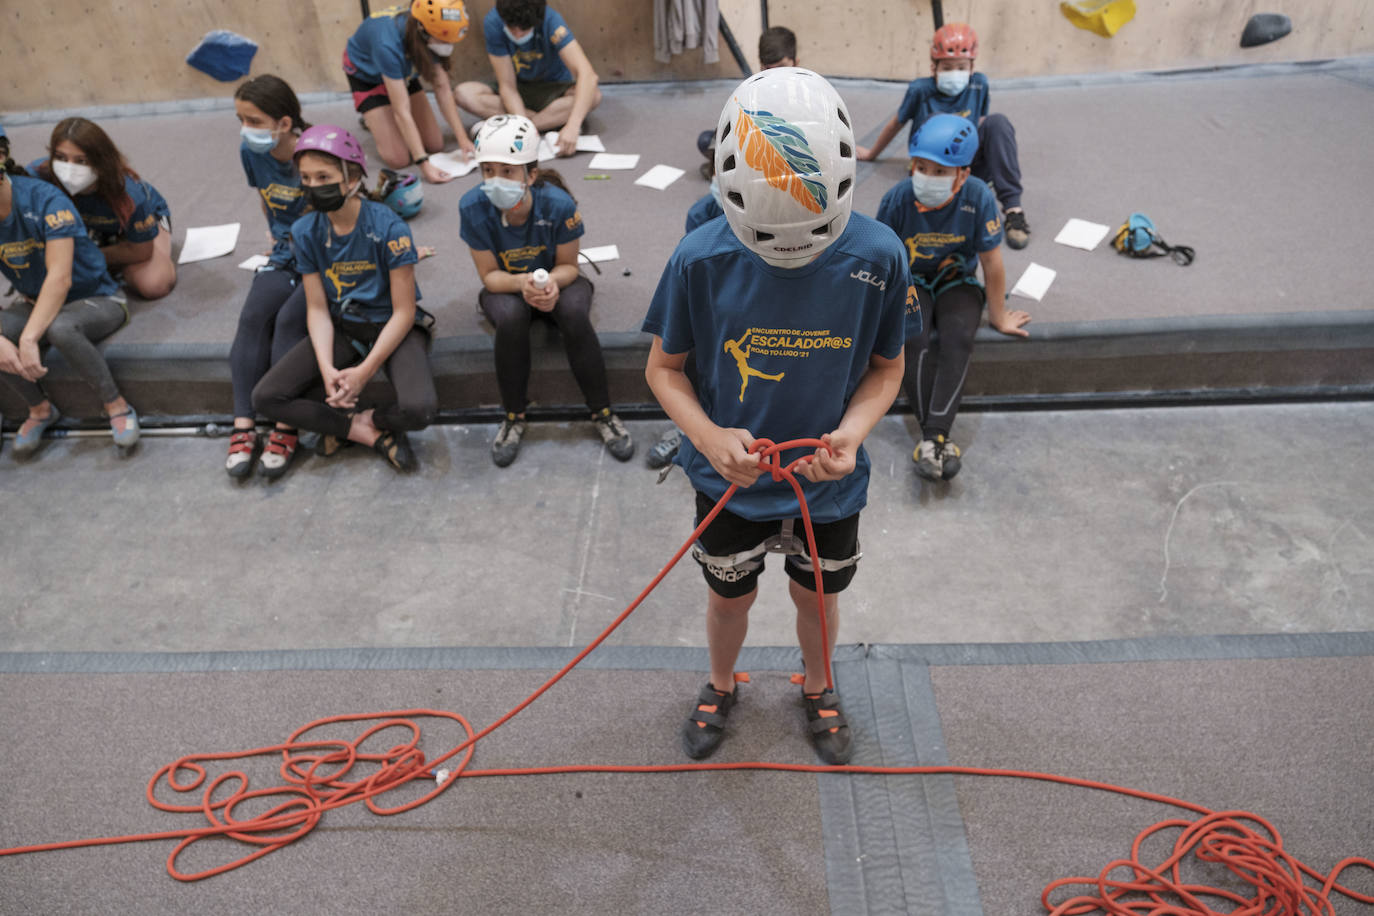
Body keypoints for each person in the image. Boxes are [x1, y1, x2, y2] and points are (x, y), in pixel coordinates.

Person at [643, 69, 911, 765]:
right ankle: (722, 682)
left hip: (828, 484)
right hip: (728, 479)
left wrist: (851, 435)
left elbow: (887, 370)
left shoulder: (879, 257)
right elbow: (663, 371)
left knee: (817, 596)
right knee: (728, 599)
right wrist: (707, 437)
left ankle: (819, 684)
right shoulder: (699, 259)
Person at [251, 126, 436, 473]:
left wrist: (363, 374)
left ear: (352, 177)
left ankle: (371, 417)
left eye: (324, 176)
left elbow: (404, 311)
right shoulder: (305, 231)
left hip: (392, 326)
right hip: (344, 326)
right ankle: (363, 432)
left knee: (420, 409)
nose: (313, 185)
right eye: (306, 177)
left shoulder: (389, 227)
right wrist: (327, 368)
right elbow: (318, 309)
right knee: (265, 396)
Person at [459, 114, 633, 467]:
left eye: (507, 171)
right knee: (510, 317)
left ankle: (603, 412)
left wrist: (550, 284)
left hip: (559, 278)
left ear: (531, 174)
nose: (495, 180)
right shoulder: (471, 207)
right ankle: (514, 417)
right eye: (487, 171)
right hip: (507, 286)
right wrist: (522, 284)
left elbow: (570, 266)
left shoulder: (559, 205)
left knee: (572, 312)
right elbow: (490, 276)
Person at [875, 114, 1029, 482]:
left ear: (962, 174)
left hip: (956, 278)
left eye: (940, 172)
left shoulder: (978, 197)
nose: (927, 177)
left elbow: (992, 263)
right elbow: (880, 260)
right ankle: (936, 440)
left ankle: (933, 438)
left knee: (959, 337)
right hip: (911, 279)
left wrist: (999, 315)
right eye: (921, 167)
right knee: (914, 338)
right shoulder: (897, 200)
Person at [0, 128, 140, 457]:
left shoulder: (45, 199)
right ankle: (39, 410)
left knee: (60, 327)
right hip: (35, 302)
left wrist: (29, 337)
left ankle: (116, 405)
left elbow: (60, 278)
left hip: (97, 297)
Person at [857, 23, 1032, 249]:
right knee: (938, 121)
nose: (955, 73)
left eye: (961, 67)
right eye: (947, 67)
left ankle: (1013, 209)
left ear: (971, 68)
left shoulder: (980, 84)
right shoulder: (920, 90)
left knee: (997, 123)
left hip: (966, 161)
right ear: (934, 67)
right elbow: (897, 123)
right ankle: (946, 195)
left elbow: (982, 120)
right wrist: (872, 153)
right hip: (932, 163)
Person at [224, 75, 313, 479]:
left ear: (284, 121)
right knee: (252, 317)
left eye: (255, 120)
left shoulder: (315, 152)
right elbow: (266, 198)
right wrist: (276, 237)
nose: (246, 129)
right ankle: (243, 425)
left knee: (289, 321)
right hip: (283, 251)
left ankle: (284, 424)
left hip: (320, 255)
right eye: (241, 119)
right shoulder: (251, 153)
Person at [28, 118, 175, 299]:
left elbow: (141, 251)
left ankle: (106, 257)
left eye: (81, 161)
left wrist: (79, 256)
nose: (69, 169)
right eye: (61, 158)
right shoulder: (37, 177)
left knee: (154, 284)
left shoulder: (130, 195)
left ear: (102, 161)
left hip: (136, 227)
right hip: (87, 225)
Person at [343, 0, 476, 182]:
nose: (447, 46)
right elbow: (402, 111)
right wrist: (424, 164)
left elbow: (443, 89)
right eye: (442, 40)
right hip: (368, 75)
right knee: (399, 159)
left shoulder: (431, 32)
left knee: (435, 145)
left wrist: (462, 139)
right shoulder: (387, 44)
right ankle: (372, 118)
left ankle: (384, 119)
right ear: (422, 29)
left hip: (404, 69)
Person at [455, 0, 600, 157]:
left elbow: (588, 75)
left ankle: (514, 126)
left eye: (524, 30)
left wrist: (573, 125)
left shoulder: (551, 20)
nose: (517, 34)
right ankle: (548, 123)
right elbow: (508, 86)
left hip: (553, 89)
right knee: (463, 93)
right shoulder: (494, 22)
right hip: (519, 89)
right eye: (512, 28)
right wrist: (524, 128)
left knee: (594, 95)